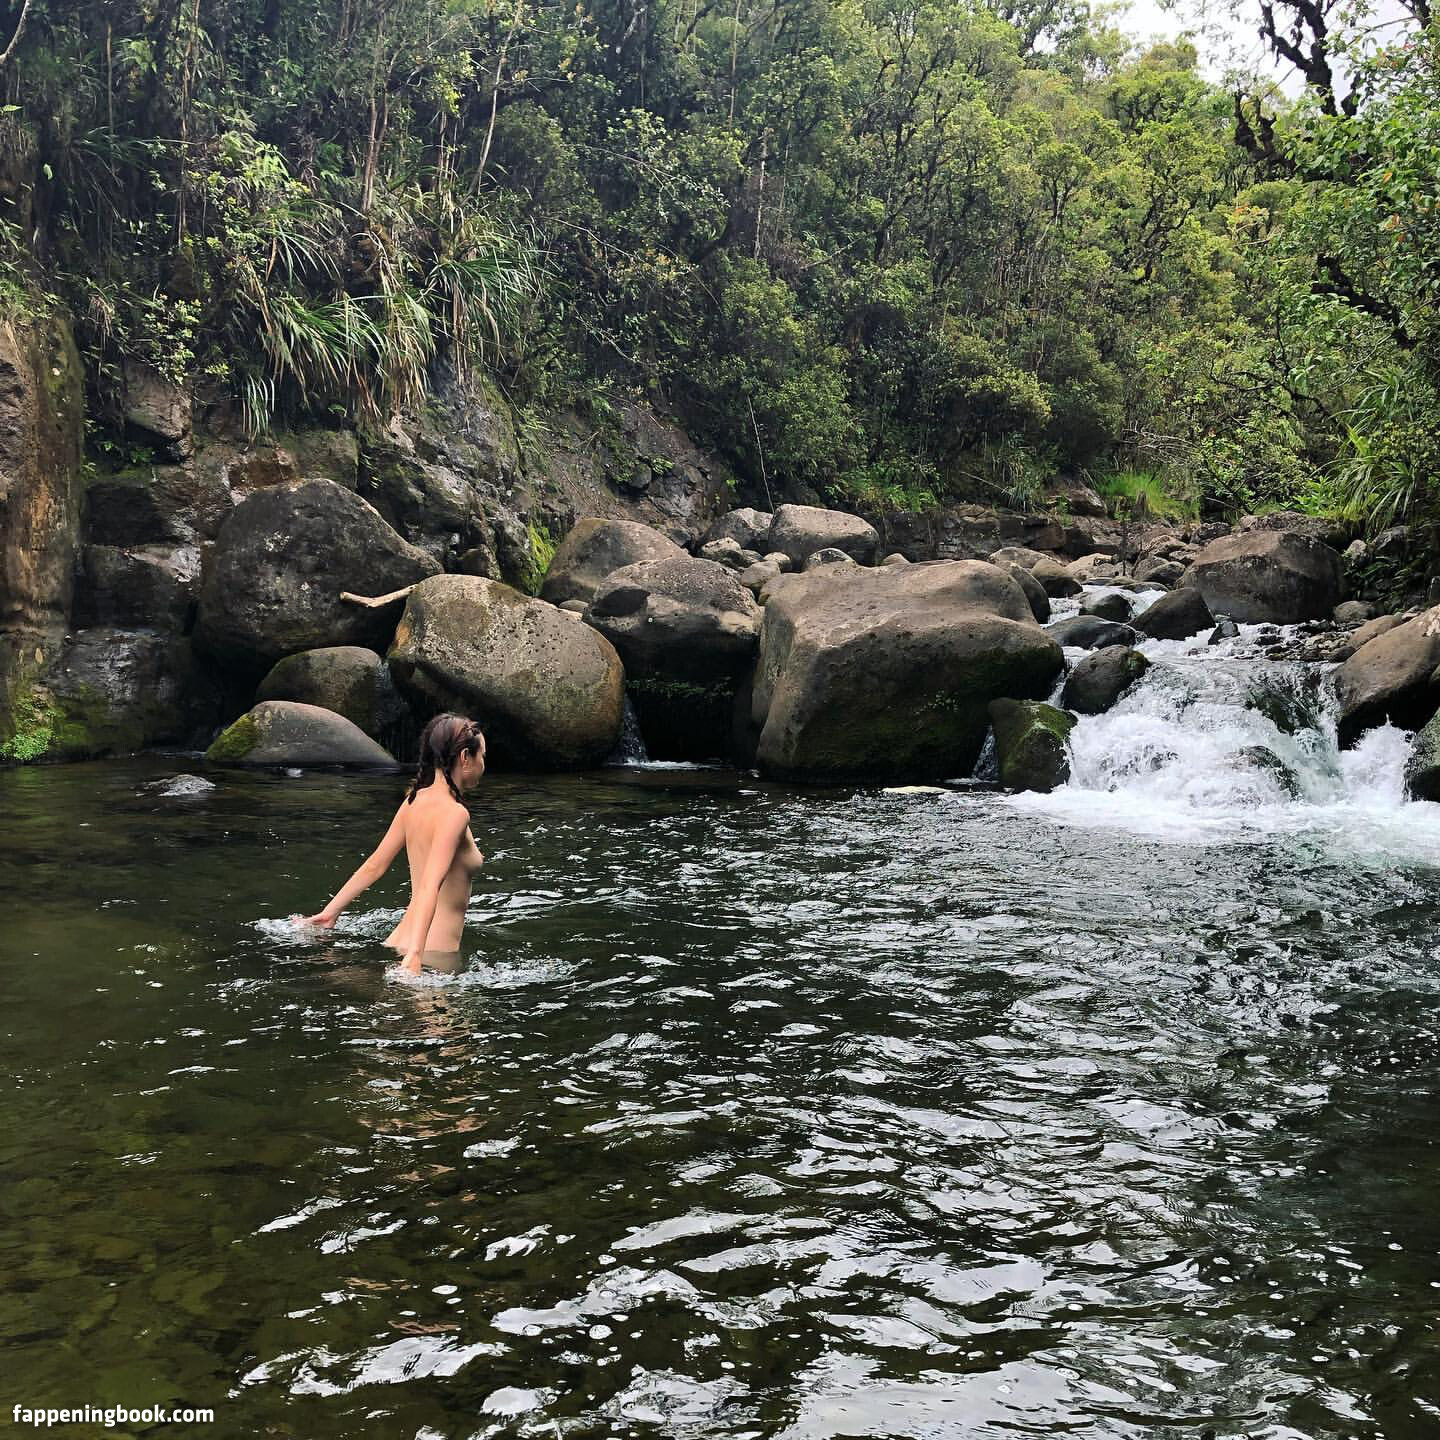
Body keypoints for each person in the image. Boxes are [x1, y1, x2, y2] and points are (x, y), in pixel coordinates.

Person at [297, 713, 487, 975]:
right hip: (434, 953)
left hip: (399, 940)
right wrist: (416, 955)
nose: (483, 764)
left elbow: (375, 865)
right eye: (483, 756)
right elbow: (431, 884)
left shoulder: (414, 800)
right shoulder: (455, 814)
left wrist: (330, 912)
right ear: (465, 757)